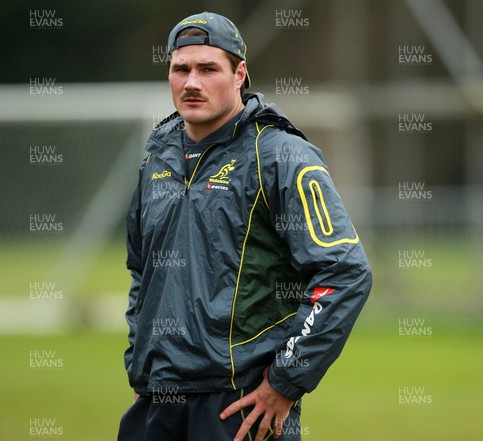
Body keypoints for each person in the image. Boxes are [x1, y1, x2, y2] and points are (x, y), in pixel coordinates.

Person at [118, 11, 372, 441]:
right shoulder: (156, 155)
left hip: (238, 407)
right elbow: (141, 269)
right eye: (181, 69)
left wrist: (286, 381)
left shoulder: (280, 155)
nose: (191, 82)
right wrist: (137, 354)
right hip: (156, 400)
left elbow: (345, 273)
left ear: (239, 74)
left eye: (207, 69)